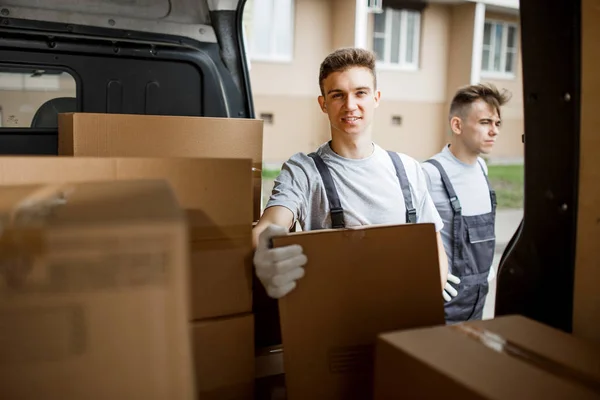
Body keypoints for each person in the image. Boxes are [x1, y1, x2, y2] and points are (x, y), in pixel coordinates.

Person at [252, 47, 448, 299]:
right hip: (336, 314)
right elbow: (271, 225)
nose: (350, 105)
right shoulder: (303, 171)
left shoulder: (409, 169)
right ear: (323, 104)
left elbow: (433, 244)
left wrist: (433, 289)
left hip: (404, 310)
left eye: (360, 93)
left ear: (376, 97)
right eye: (337, 95)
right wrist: (264, 249)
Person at [421, 83, 511, 324]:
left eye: (497, 124)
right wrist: (427, 280)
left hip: (479, 298)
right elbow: (409, 237)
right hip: (444, 304)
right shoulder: (430, 174)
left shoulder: (482, 168)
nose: (494, 131)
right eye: (485, 123)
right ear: (457, 125)